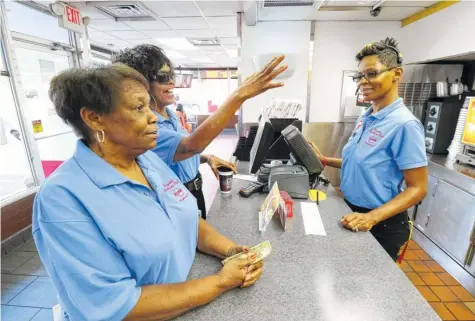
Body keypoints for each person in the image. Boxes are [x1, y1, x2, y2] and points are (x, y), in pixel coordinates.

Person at [32, 61, 285, 320]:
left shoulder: (147, 160)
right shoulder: (62, 198)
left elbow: (185, 220)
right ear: (94, 118)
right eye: (139, 108)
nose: (153, 116)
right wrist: (220, 282)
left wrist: (231, 251)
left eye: (149, 106)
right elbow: (116, 306)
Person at [113, 46, 286, 219]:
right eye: (163, 77)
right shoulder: (145, 126)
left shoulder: (170, 114)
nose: (171, 82)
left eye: (171, 76)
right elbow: (190, 146)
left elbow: (174, 154)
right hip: (175, 199)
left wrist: (206, 158)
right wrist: (239, 96)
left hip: (194, 191)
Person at [309, 37, 428, 261]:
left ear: (397, 74)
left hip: (382, 225)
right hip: (353, 212)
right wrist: (324, 159)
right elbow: (364, 163)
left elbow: (418, 189)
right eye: (360, 76)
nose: (363, 81)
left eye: (372, 74)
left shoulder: (405, 125)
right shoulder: (367, 117)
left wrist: (372, 218)